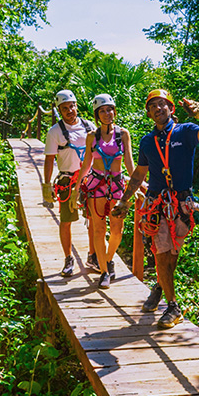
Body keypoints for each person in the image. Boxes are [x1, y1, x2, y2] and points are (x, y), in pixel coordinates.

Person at [114, 89, 199, 328]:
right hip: (157, 202)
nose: (158, 109)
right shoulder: (147, 141)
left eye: (162, 105)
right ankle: (173, 306)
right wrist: (125, 200)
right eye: (153, 106)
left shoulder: (186, 131)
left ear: (171, 108)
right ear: (149, 114)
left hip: (181, 203)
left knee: (172, 255)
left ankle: (160, 286)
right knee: (161, 254)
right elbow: (139, 174)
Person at [75, 94, 135, 289]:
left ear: (114, 111)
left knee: (117, 231)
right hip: (96, 185)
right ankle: (104, 271)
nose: (107, 113)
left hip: (117, 185)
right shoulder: (92, 136)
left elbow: (129, 163)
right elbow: (86, 164)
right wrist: (77, 189)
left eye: (109, 109)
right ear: (97, 114)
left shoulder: (123, 134)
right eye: (102, 110)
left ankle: (108, 260)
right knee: (99, 229)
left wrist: (139, 186)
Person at [41, 90, 93, 278]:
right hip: (67, 180)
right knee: (66, 221)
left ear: (76, 105)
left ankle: (93, 256)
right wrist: (46, 186)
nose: (70, 111)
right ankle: (68, 258)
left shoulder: (89, 127)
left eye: (72, 106)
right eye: (65, 108)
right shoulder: (55, 132)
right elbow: (49, 159)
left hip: (89, 180)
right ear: (59, 111)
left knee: (94, 219)